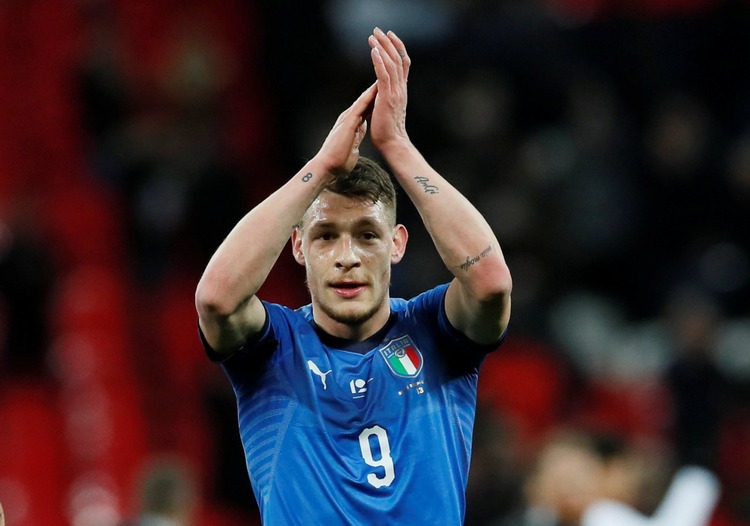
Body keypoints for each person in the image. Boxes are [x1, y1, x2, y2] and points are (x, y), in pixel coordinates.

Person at [195, 27, 512, 525]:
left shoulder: (434, 332)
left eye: (367, 235)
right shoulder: (274, 348)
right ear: (298, 246)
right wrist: (320, 167)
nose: (347, 256)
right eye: (325, 236)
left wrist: (398, 147)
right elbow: (216, 298)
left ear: (397, 244)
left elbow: (491, 282)